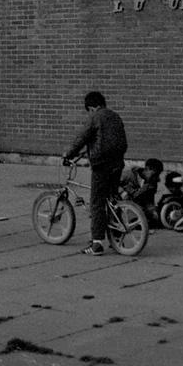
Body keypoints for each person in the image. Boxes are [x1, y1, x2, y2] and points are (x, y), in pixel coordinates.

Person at [63, 91, 128, 255]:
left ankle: (97, 243)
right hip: (117, 163)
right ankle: (116, 236)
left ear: (91, 108)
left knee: (97, 202)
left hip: (101, 164)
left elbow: (82, 138)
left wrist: (68, 154)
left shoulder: (95, 117)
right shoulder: (115, 116)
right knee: (113, 198)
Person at [120, 158, 164, 225]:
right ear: (147, 169)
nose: (157, 177)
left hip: (137, 206)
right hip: (123, 203)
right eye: (155, 174)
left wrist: (153, 212)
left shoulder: (152, 182)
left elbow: (149, 201)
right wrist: (128, 190)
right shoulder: (129, 174)